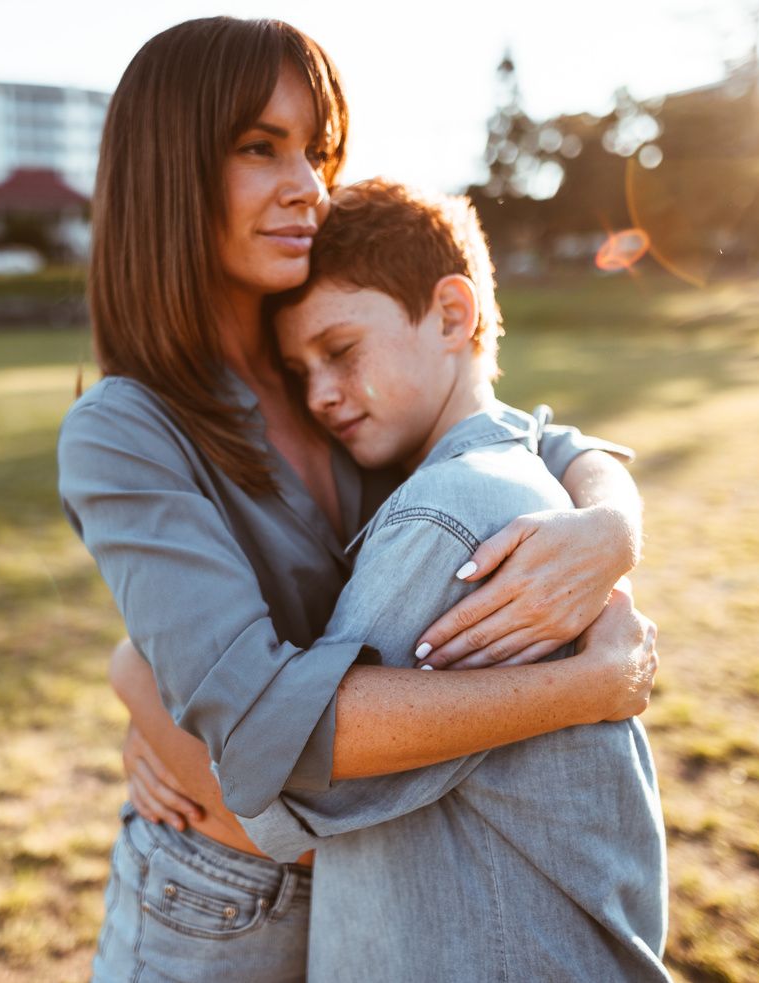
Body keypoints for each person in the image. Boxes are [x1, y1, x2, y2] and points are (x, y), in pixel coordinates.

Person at [57, 17, 656, 982]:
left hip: (380, 896)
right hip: (215, 906)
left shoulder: (324, 372)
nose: (309, 186)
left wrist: (610, 525)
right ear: (169, 171)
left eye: (317, 150)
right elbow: (255, 722)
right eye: (262, 147)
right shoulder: (125, 429)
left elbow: (528, 434)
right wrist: (586, 688)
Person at [227, 177, 667, 980]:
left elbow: (296, 779)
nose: (319, 393)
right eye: (299, 371)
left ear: (452, 316)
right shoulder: (519, 468)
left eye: (340, 350)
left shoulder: (450, 516)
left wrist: (137, 690)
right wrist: (615, 513)